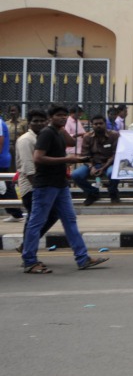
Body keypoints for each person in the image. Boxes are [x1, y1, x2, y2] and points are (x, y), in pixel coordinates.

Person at [21, 106, 109, 273]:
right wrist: (67, 159)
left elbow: (71, 143)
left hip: (60, 184)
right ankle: (29, 261)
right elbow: (38, 158)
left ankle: (82, 258)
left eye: (64, 116)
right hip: (46, 184)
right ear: (50, 117)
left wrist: (63, 128)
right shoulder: (46, 133)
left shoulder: (58, 132)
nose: (62, 118)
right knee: (37, 222)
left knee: (70, 220)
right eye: (58, 116)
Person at [15, 111, 58, 243]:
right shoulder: (26, 140)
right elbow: (28, 167)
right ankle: (27, 247)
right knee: (37, 218)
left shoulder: (42, 138)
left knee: (45, 216)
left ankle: (27, 245)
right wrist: (38, 188)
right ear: (29, 123)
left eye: (42, 121)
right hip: (31, 186)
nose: (39, 124)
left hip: (43, 183)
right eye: (35, 121)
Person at [71, 114, 120, 205]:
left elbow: (115, 154)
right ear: (92, 125)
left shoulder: (114, 135)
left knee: (113, 173)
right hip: (93, 163)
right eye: (95, 124)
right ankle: (92, 193)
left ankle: (113, 193)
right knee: (75, 174)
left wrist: (103, 168)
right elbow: (85, 155)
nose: (98, 126)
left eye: (101, 123)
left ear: (105, 124)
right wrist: (92, 167)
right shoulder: (87, 137)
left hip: (109, 164)